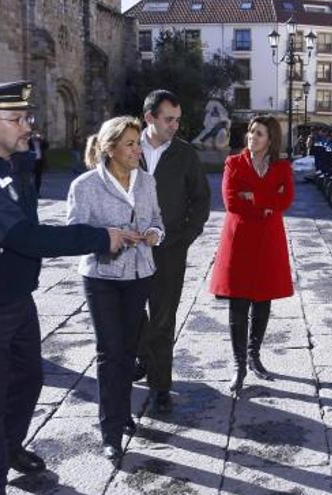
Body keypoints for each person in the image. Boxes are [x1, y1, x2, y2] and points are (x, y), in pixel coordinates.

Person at [0, 81, 139, 494]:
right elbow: (27, 237)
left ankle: (11, 448)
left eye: (27, 117)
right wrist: (101, 236)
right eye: (16, 119)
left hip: (13, 296)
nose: (27, 126)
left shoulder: (11, 160)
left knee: (28, 380)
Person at [67, 116, 165, 461]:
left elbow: (157, 222)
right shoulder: (85, 186)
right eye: (130, 144)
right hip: (102, 279)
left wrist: (153, 235)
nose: (138, 150)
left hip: (140, 275)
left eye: (139, 143)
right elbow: (75, 236)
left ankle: (123, 413)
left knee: (128, 350)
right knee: (110, 351)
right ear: (109, 149)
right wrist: (109, 238)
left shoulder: (147, 182)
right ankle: (110, 431)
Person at [136, 89, 211, 417]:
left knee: (164, 318)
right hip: (125, 252)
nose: (175, 126)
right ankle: (143, 357)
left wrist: (183, 237)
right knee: (131, 316)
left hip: (169, 252)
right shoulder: (123, 147)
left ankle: (160, 386)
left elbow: (201, 201)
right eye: (168, 119)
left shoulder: (184, 154)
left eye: (178, 120)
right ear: (149, 118)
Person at [209, 115, 294, 395]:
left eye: (259, 133)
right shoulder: (233, 163)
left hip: (268, 240)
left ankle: (254, 355)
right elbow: (231, 201)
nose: (252, 137)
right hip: (240, 240)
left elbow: (286, 199)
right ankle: (239, 365)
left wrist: (254, 198)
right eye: (250, 132)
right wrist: (264, 203)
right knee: (238, 303)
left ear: (270, 139)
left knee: (263, 299)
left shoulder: (281, 167)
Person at [29, 131, 48, 196]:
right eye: (34, 134)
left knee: (38, 178)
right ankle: (31, 192)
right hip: (31, 161)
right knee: (30, 178)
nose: (35, 135)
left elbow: (47, 146)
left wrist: (43, 139)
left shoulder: (40, 141)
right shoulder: (29, 141)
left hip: (39, 161)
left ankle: (37, 192)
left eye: (36, 134)